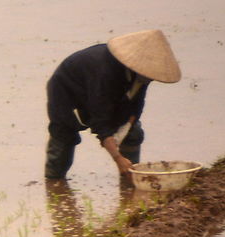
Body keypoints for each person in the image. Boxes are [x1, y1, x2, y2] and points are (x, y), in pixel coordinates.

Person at [45, 29, 181, 180]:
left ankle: (131, 176)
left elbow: (136, 105)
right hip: (67, 91)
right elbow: (100, 121)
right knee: (64, 136)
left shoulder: (142, 73)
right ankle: (53, 182)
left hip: (103, 91)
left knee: (133, 133)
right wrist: (117, 158)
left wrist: (128, 125)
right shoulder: (105, 72)